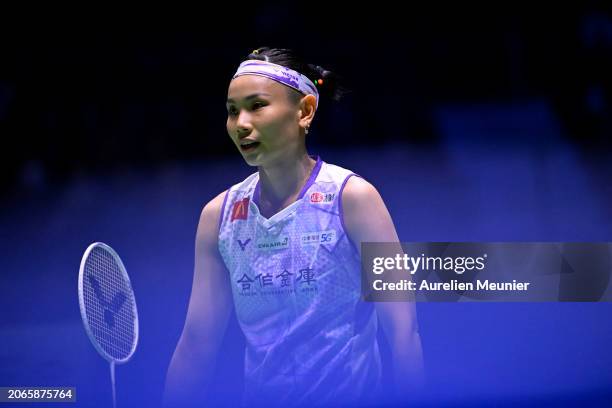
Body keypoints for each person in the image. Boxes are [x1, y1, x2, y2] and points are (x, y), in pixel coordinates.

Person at [163, 47, 424, 407]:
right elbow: (195, 345)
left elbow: (404, 334)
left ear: (304, 111)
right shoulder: (219, 217)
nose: (241, 123)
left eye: (257, 106)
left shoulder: (353, 200)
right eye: (232, 110)